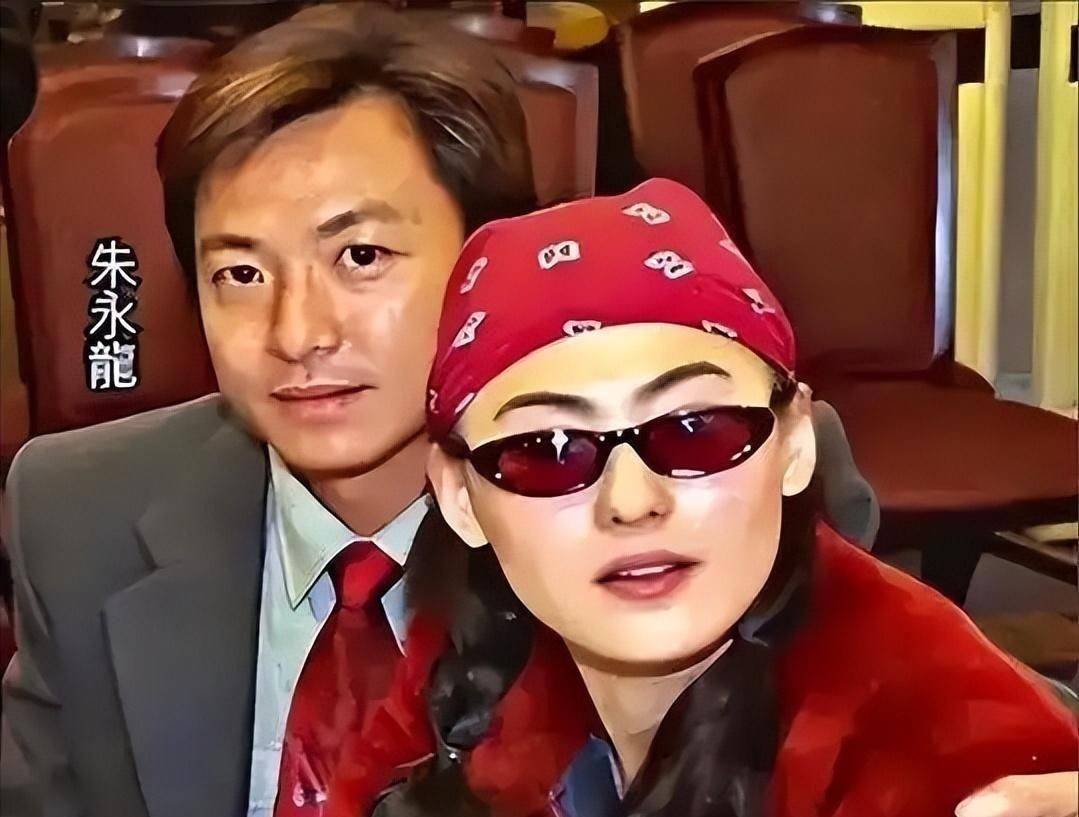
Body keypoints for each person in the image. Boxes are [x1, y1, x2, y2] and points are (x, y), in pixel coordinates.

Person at [366, 179, 1078, 817]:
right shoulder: (467, 644)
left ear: (795, 442)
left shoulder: (953, 757)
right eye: (548, 450)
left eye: (695, 429)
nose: (632, 500)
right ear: (459, 496)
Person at [0, 6, 535, 816]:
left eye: (360, 256)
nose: (297, 334)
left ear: (487, 258)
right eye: (242, 275)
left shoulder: (616, 506)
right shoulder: (80, 515)